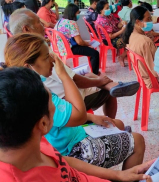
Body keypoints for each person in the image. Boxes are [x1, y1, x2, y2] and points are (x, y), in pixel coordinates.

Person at [0, 67, 159, 182]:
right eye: (54, 102)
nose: (58, 105)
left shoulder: (27, 140)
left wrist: (119, 175)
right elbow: (79, 115)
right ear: (43, 124)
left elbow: (63, 162)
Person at [3, 34, 144, 171]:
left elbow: (66, 117)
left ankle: (111, 175)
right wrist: (64, 76)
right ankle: (124, 181)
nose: (53, 61)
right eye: (47, 57)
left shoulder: (23, 88)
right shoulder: (38, 93)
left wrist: (92, 117)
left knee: (116, 124)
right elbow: (79, 115)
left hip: (69, 137)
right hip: (72, 151)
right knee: (137, 140)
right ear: (29, 67)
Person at [9, 8, 140, 119]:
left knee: (91, 74)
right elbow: (73, 80)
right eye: (38, 22)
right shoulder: (38, 52)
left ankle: (112, 85)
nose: (43, 24)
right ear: (26, 28)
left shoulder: (17, 51)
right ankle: (112, 89)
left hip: (61, 78)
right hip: (67, 98)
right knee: (104, 86)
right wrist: (99, 82)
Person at [56, 4, 100, 75]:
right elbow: (79, 42)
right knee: (95, 53)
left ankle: (94, 72)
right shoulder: (71, 23)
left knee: (90, 49)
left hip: (59, 47)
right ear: (73, 13)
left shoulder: (60, 21)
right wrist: (88, 44)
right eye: (78, 13)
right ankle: (94, 74)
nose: (78, 15)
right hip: (69, 49)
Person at [123, 6, 158, 88]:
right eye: (148, 19)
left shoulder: (131, 35)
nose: (151, 21)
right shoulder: (145, 41)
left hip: (142, 77)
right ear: (138, 21)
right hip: (152, 81)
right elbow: (156, 70)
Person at [95, 0, 128, 66]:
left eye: (109, 7)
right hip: (109, 40)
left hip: (115, 35)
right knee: (131, 42)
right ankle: (122, 56)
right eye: (106, 8)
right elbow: (110, 36)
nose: (109, 9)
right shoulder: (103, 21)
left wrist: (122, 23)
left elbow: (117, 25)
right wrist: (122, 31)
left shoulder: (109, 16)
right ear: (101, 10)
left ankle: (124, 54)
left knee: (131, 38)